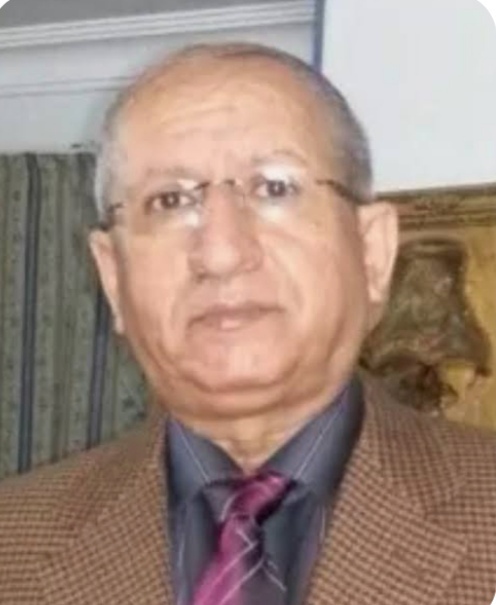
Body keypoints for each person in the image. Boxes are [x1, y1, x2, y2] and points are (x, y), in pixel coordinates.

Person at [1, 42, 495, 605]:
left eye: (275, 188)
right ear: (113, 277)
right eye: (169, 200)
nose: (221, 253)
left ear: (372, 253)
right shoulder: (12, 544)